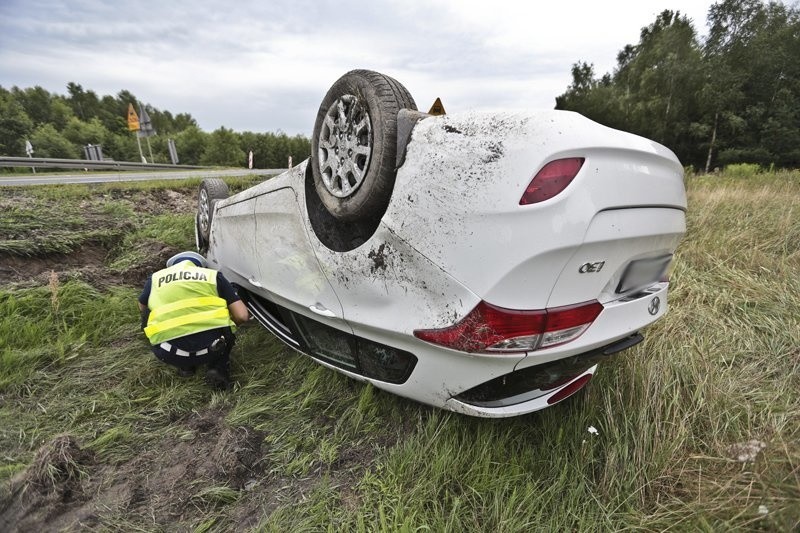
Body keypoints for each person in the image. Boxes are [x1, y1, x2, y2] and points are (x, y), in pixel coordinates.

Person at [138, 251, 249, 389]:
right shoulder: (212, 276)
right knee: (226, 323)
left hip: (168, 353)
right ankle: (218, 368)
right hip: (212, 349)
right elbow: (242, 315)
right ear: (201, 267)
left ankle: (185, 366)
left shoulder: (155, 279)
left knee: (148, 311)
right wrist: (228, 325)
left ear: (171, 268)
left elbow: (142, 307)